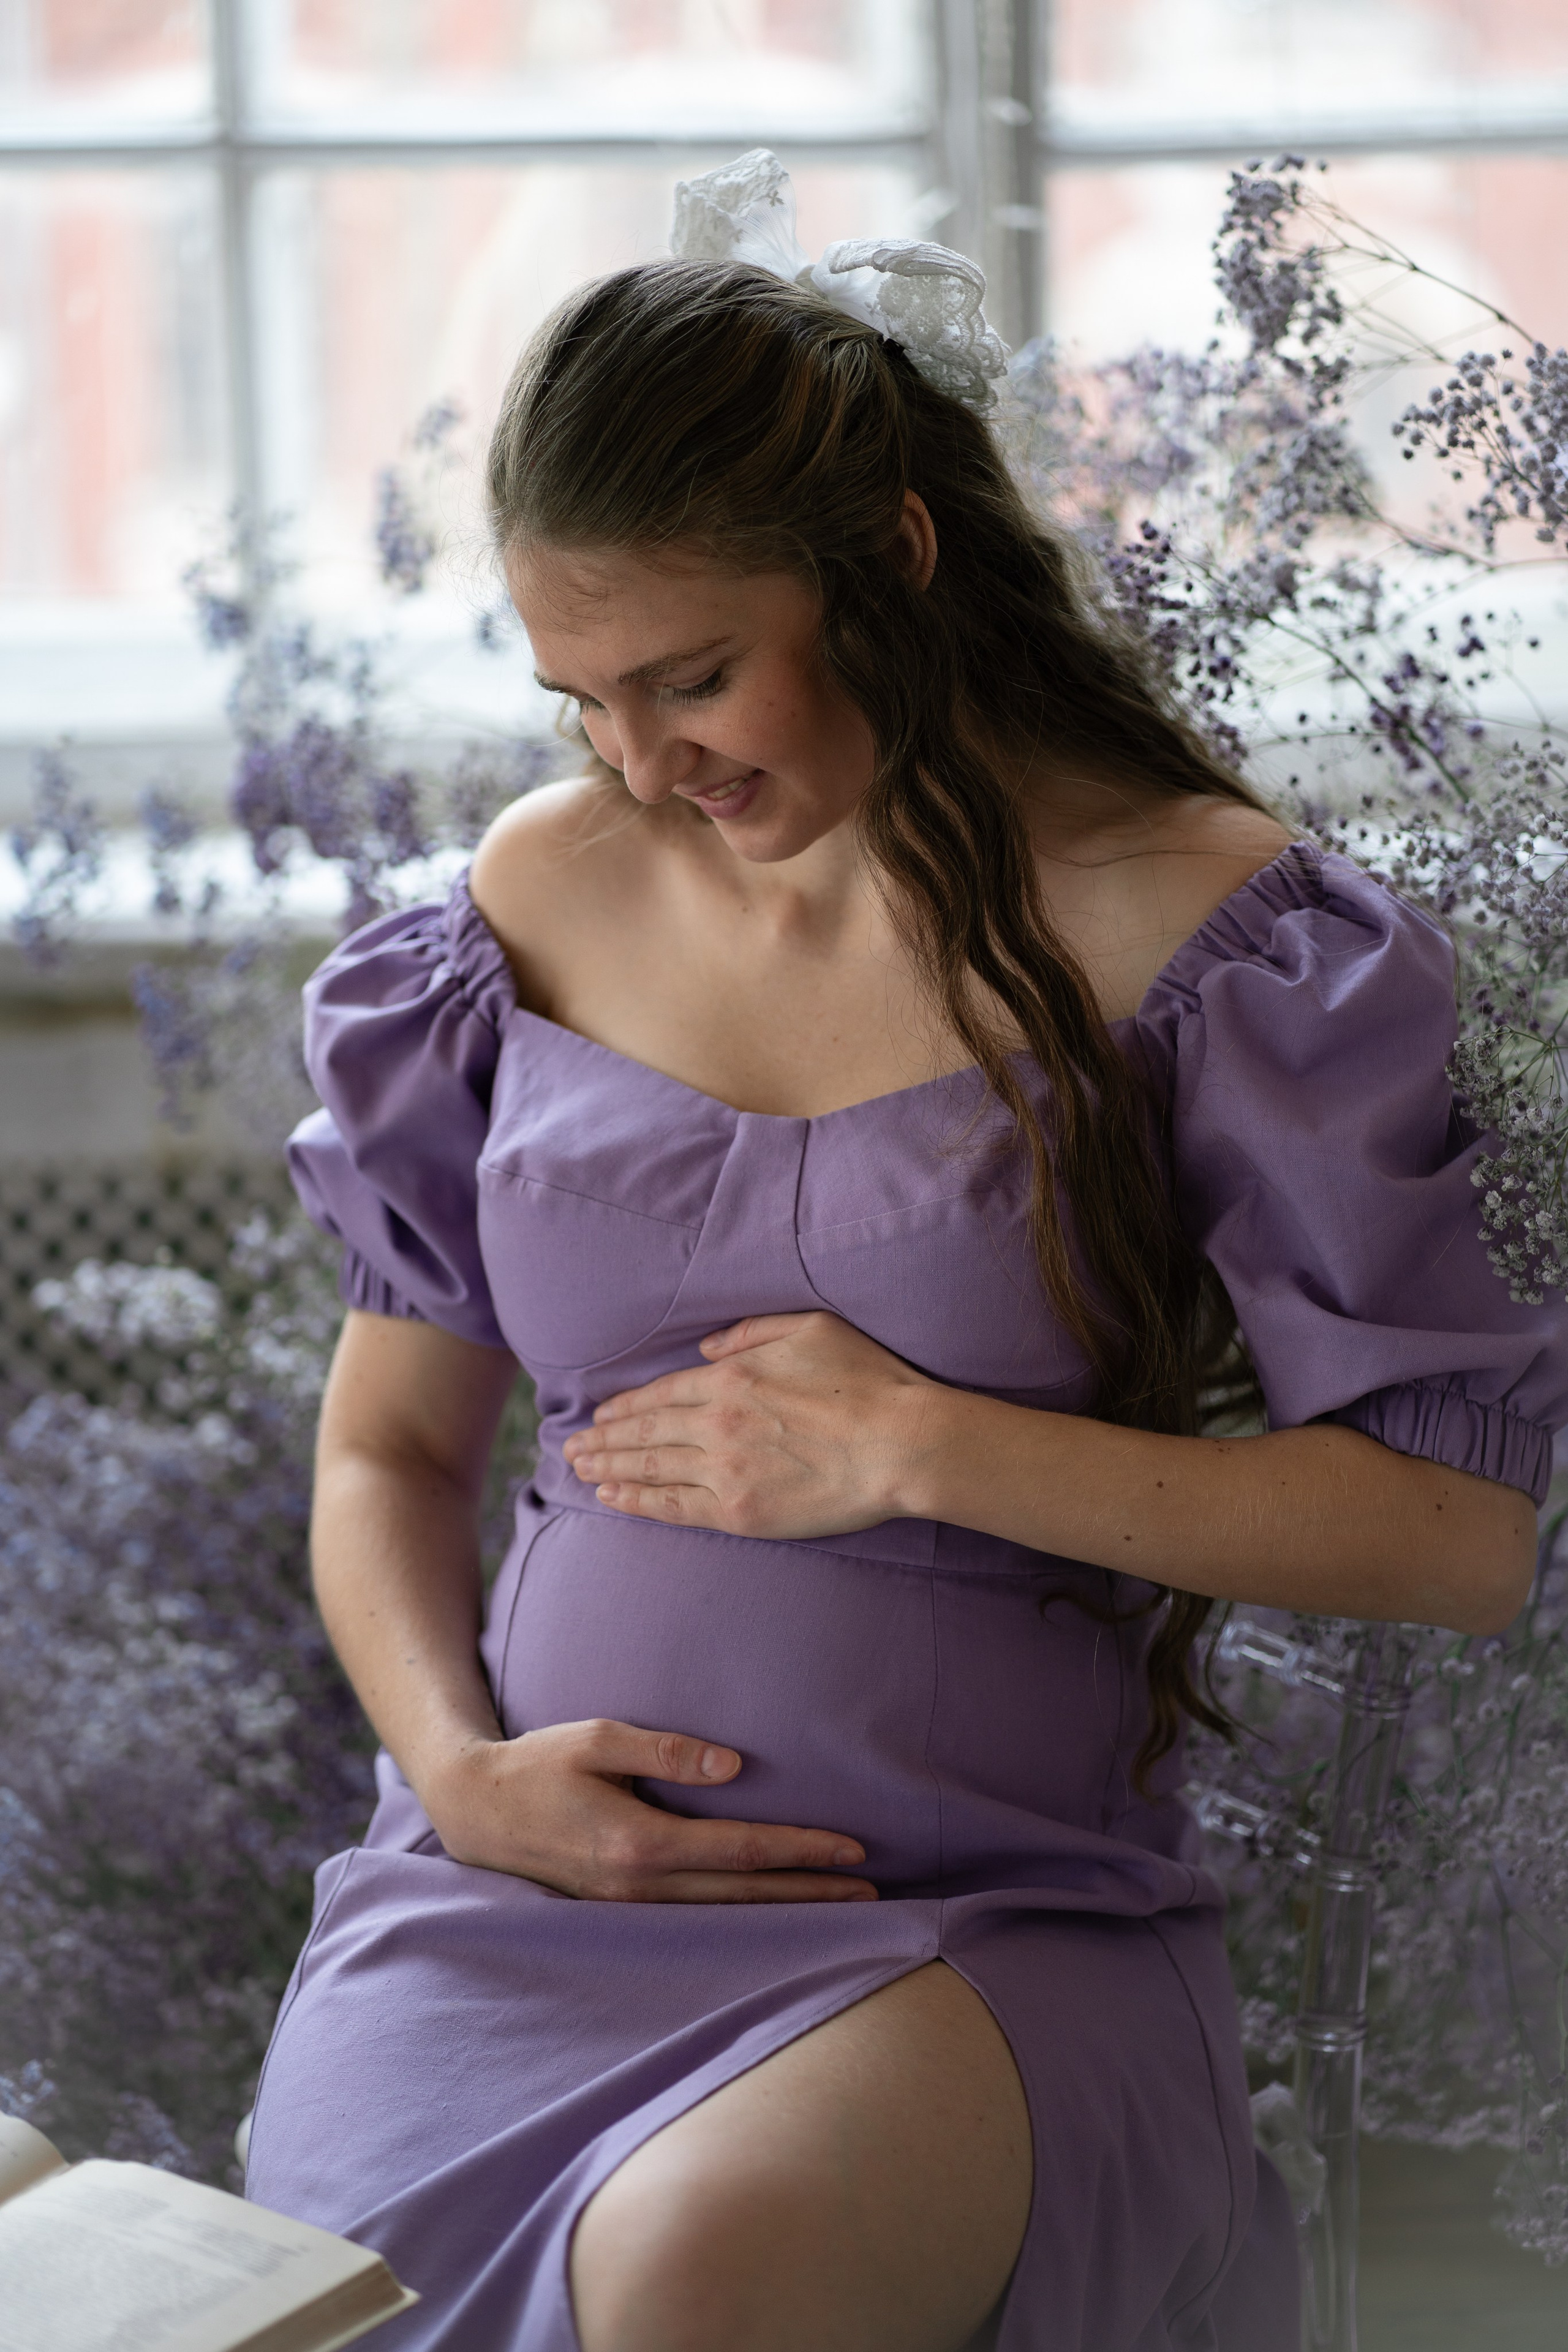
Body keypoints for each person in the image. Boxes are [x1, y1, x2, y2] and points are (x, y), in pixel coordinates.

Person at [243, 156, 1567, 2352]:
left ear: (891, 564)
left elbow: (1450, 1537)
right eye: (581, 696)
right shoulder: (527, 909)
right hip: (504, 1903)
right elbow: (387, 1456)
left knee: (699, 2275)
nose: (640, 764)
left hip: (972, 1926)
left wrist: (915, 1449)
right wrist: (464, 1779)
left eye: (692, 678)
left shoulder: (1211, 931)